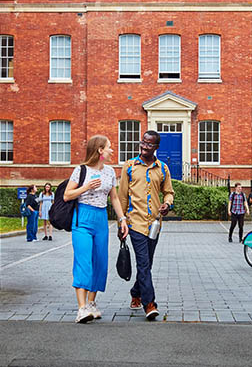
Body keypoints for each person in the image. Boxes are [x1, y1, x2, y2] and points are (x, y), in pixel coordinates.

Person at [63, 135, 128, 323]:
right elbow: (67, 195)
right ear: (100, 150)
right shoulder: (81, 170)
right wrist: (86, 187)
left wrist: (122, 219)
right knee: (84, 261)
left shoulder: (110, 172)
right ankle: (81, 308)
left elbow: (114, 198)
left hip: (101, 219)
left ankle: (92, 303)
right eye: (109, 147)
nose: (112, 150)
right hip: (82, 217)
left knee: (100, 262)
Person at [118, 130, 174, 321]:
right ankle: (149, 304)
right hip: (135, 223)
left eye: (149, 144)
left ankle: (135, 292)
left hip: (155, 224)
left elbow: (169, 192)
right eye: (143, 142)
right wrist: (121, 222)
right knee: (143, 262)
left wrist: (168, 203)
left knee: (146, 263)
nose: (144, 146)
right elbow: (122, 196)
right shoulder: (129, 166)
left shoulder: (163, 168)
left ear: (156, 147)